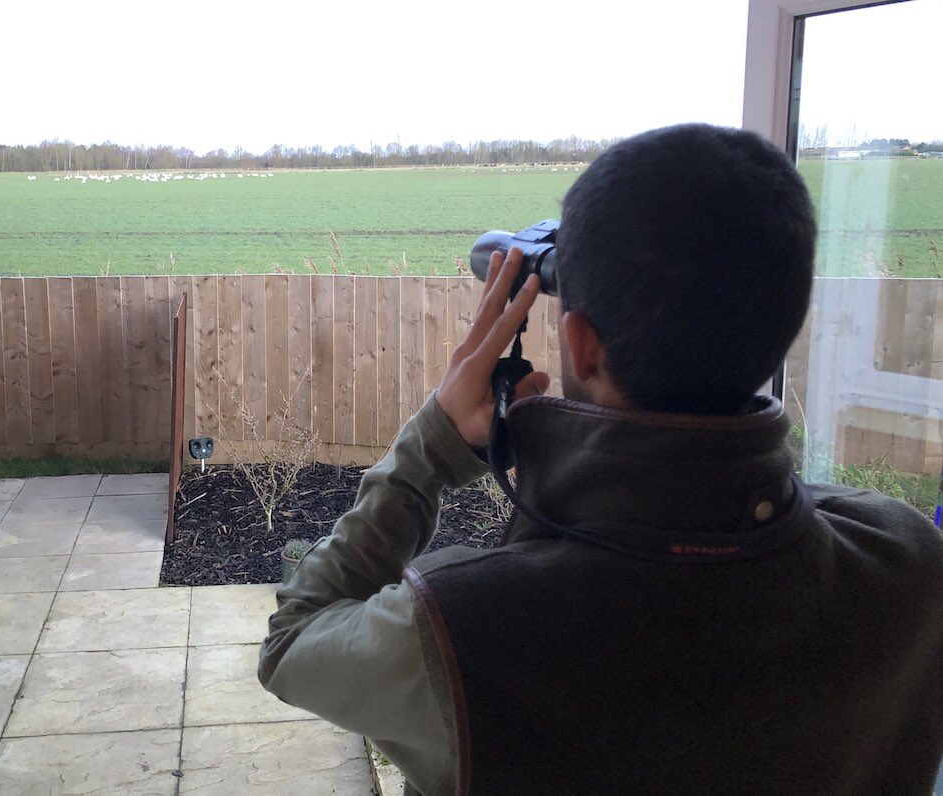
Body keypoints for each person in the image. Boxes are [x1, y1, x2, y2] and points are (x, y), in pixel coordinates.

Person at [258, 123, 943, 794]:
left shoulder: (460, 629)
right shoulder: (908, 564)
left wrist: (430, 448)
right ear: (785, 324)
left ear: (581, 344)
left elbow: (294, 640)